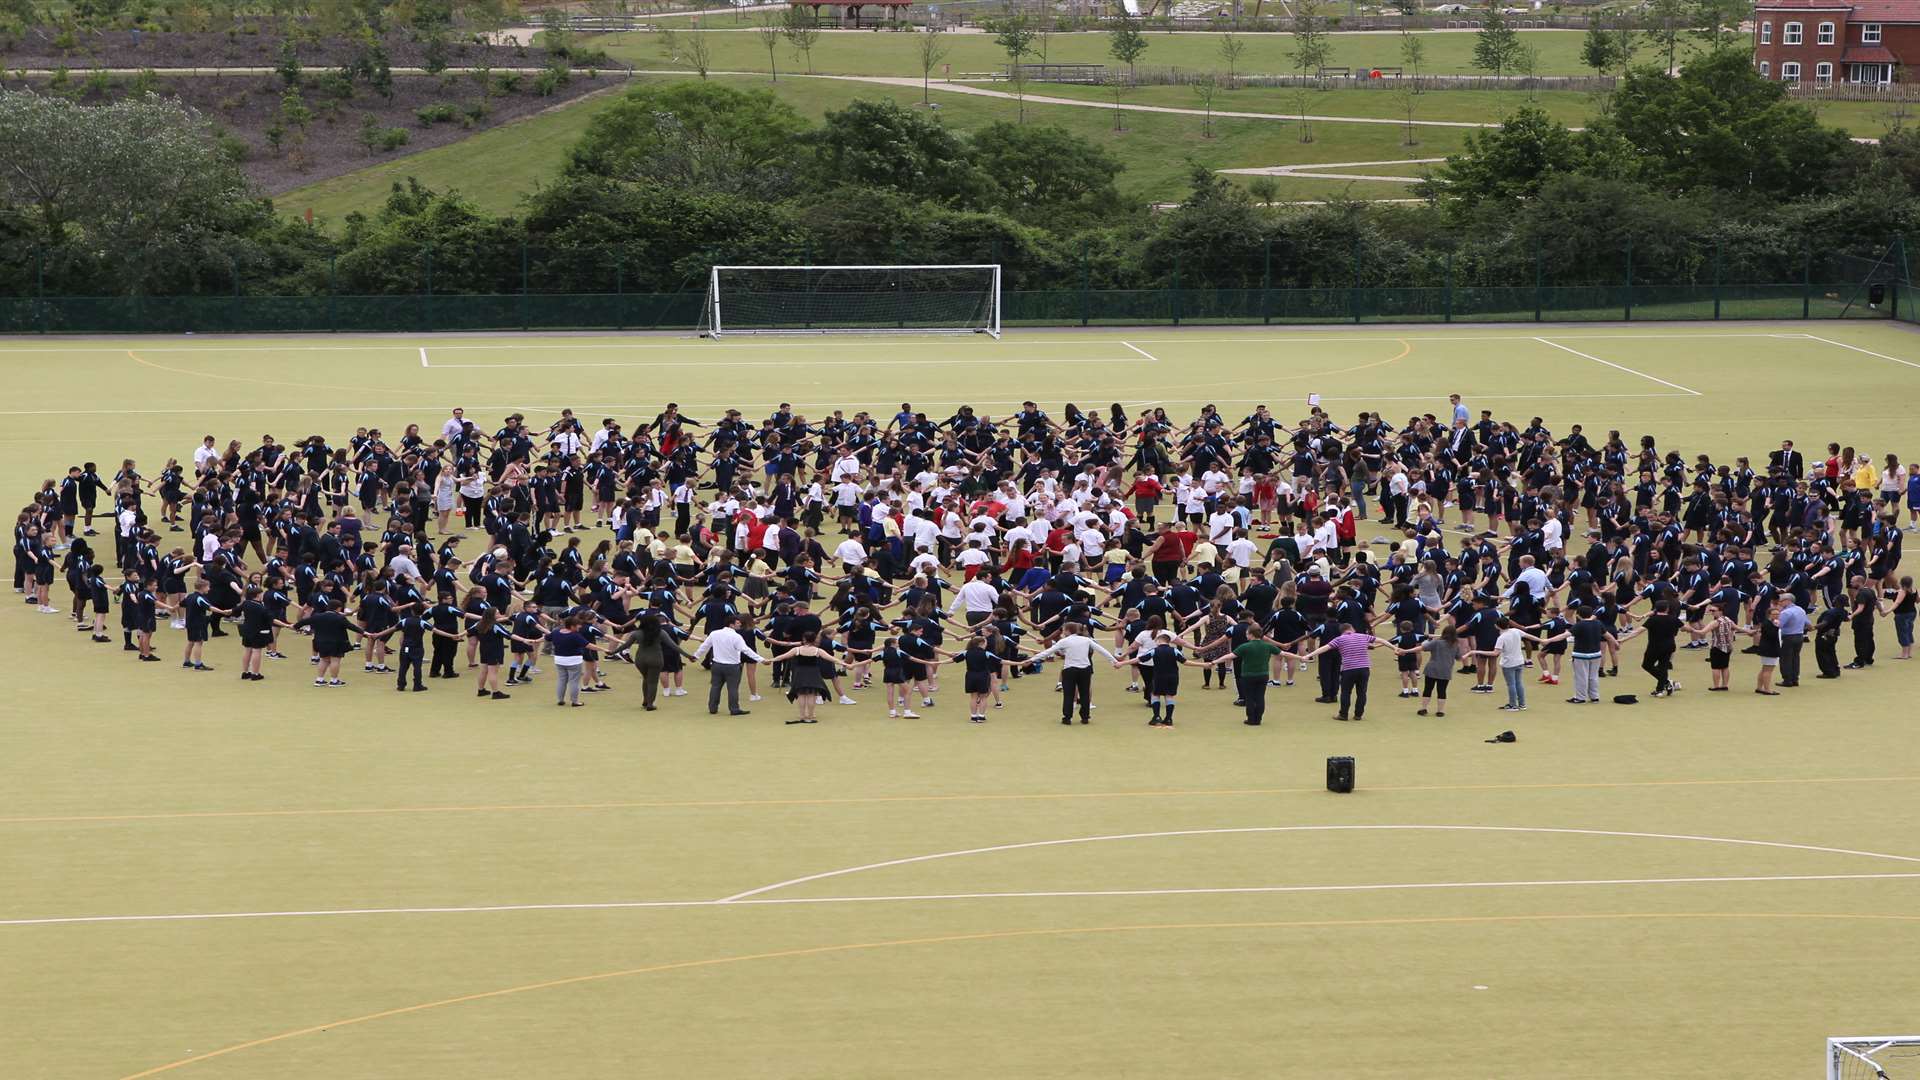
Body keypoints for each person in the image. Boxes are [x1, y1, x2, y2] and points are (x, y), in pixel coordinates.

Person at [1026, 621, 1118, 725]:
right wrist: (1114, 661)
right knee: (1085, 693)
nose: (1062, 632)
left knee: (1068, 694)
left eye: (1064, 630)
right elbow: (1102, 650)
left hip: (1070, 670)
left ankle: (1067, 717)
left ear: (1068, 631)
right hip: (1085, 669)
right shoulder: (1087, 640)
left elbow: (1047, 652)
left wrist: (1031, 660)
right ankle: (1085, 717)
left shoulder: (1064, 641)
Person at [693, 614, 763, 716]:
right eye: (738, 623)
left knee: (715, 687)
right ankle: (734, 709)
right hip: (732, 667)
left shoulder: (714, 633)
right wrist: (761, 659)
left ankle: (712, 708)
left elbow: (704, 647)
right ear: (731, 625)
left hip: (717, 665)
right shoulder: (736, 636)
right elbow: (746, 650)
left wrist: (696, 656)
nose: (740, 625)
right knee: (733, 688)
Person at [1228, 623, 1287, 726]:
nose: (1246, 636)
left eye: (1247, 634)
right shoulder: (1267, 646)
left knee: (1250, 697)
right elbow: (1284, 654)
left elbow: (1230, 656)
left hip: (1248, 675)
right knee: (1260, 696)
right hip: (1263, 675)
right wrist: (1301, 658)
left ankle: (1251, 719)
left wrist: (1214, 662)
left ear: (1251, 634)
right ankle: (1258, 718)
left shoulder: (1244, 646)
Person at [1846, 575, 1884, 669]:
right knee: (1869, 639)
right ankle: (1868, 658)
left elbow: (1860, 608)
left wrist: (1852, 615)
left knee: (1860, 641)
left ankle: (1859, 662)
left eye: (1853, 582)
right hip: (1869, 620)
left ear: (1859, 582)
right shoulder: (1870, 591)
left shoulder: (1861, 594)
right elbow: (1877, 602)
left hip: (1861, 622)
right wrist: (1881, 611)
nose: (1851, 583)